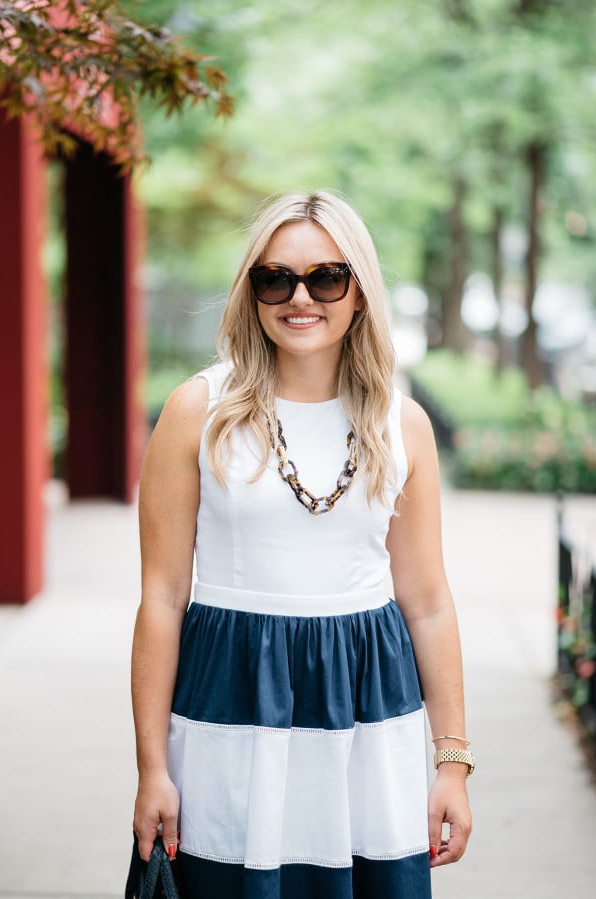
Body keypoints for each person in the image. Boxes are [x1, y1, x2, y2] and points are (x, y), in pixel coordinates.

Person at [130, 189, 472, 899]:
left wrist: (452, 762)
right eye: (276, 278)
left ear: (360, 290)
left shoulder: (401, 425)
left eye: (327, 277)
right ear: (251, 290)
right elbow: (162, 599)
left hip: (367, 713)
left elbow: (429, 602)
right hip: (231, 703)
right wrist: (152, 768)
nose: (300, 298)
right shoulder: (199, 411)